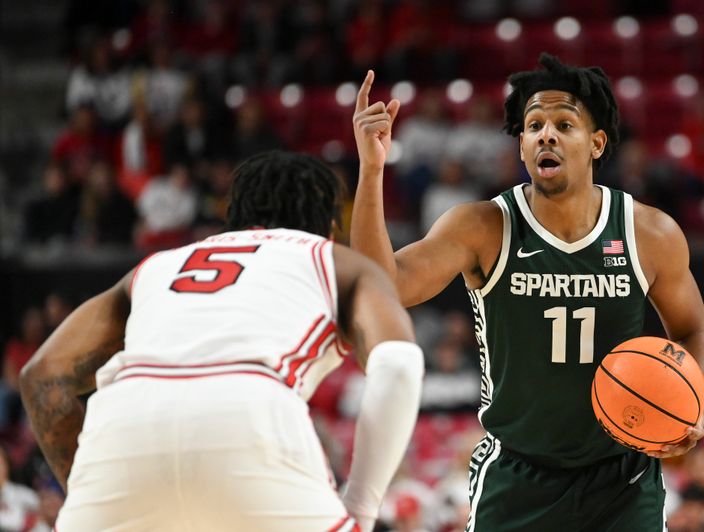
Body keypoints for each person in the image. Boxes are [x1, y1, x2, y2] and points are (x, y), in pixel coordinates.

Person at [351, 54, 704, 531]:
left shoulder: (649, 233)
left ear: (596, 143)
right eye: (534, 125)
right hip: (517, 472)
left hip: (622, 477)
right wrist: (372, 171)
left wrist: (694, 403)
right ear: (522, 146)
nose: (547, 133)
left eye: (565, 124)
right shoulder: (483, 226)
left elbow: (692, 328)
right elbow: (385, 286)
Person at [20, 150, 425, 531]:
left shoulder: (157, 266)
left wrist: (99, 485)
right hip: (247, 411)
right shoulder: (332, 257)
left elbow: (41, 375)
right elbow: (399, 364)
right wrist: (361, 507)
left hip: (121, 424)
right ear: (329, 224)